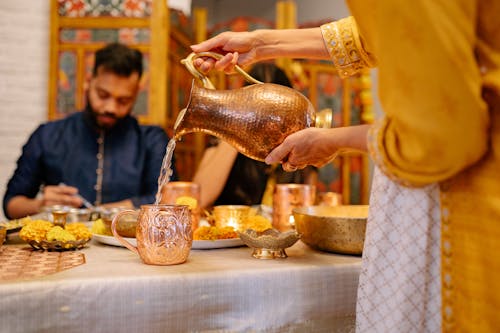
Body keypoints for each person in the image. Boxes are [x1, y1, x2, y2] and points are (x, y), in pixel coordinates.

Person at [190, 2, 500, 332]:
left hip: (465, 197)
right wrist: (261, 43)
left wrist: (333, 140)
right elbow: (375, 34)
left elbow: (439, 137)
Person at [3, 43, 177, 220]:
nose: (111, 108)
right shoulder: (48, 135)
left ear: (136, 94)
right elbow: (11, 205)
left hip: (127, 245)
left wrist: (98, 214)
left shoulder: (152, 140)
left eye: (123, 100)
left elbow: (168, 201)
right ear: (88, 81)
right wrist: (40, 204)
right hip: (62, 245)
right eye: (103, 95)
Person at [192, 63, 317, 209]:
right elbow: (199, 199)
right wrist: (237, 127)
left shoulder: (300, 142)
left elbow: (308, 206)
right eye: (259, 108)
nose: (269, 121)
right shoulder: (227, 134)